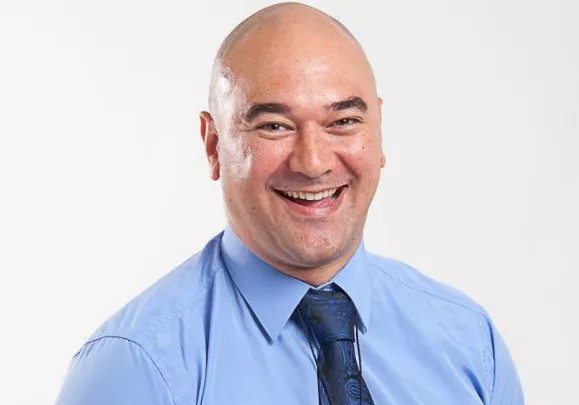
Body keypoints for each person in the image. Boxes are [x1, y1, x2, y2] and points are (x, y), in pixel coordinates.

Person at [55, 3, 524, 404]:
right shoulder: (136, 368)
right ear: (214, 145)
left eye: (343, 121)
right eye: (274, 126)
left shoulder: (469, 342)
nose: (313, 162)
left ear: (378, 130)